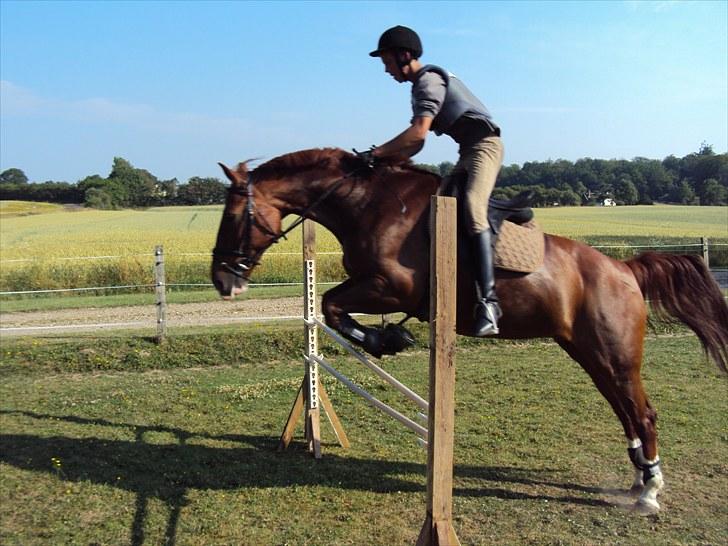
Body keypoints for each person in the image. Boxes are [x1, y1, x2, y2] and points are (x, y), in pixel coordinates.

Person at [365, 25, 504, 336]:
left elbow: (417, 136)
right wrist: (381, 158)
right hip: (467, 150)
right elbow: (416, 143)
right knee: (435, 211)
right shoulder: (420, 85)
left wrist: (376, 153)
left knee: (471, 206)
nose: (386, 70)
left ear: (404, 55)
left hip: (486, 148)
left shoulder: (427, 80)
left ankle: (489, 303)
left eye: (387, 62)